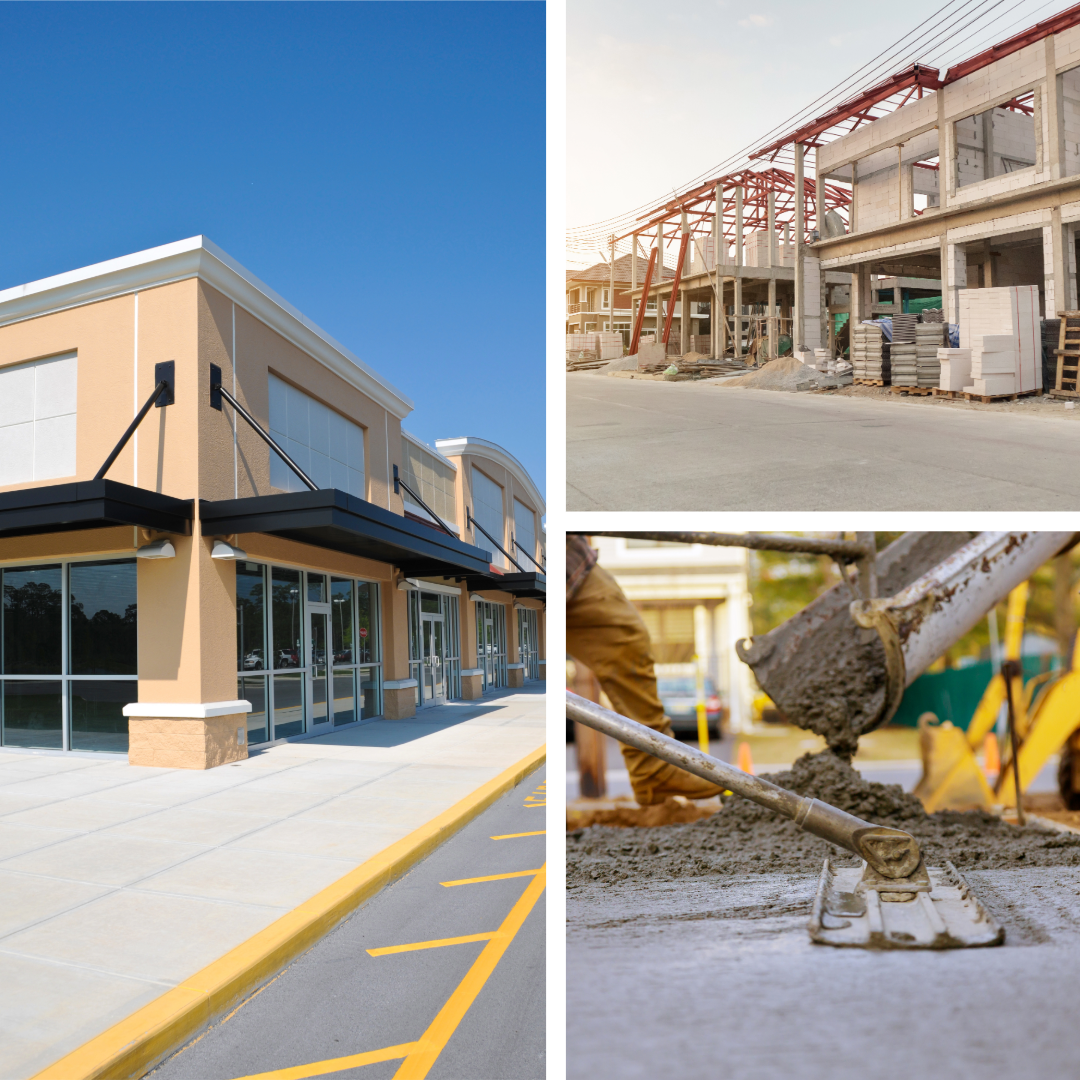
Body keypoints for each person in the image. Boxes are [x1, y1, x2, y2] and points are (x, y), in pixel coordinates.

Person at [566, 534, 721, 805]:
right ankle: (654, 769)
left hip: (569, 559)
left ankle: (654, 768)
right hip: (552, 562)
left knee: (627, 638)